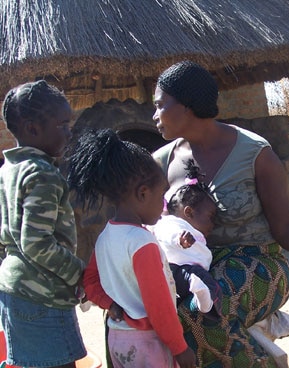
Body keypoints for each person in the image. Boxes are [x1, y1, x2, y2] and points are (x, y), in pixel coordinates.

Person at [152, 60, 289, 367]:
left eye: (159, 106)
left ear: (186, 106)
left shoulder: (254, 153)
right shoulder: (163, 162)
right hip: (192, 269)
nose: (154, 116)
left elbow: (287, 229)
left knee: (200, 311)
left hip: (259, 263)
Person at [67, 129, 196, 368]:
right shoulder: (141, 242)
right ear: (143, 194)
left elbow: (91, 282)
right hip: (148, 343)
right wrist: (180, 348)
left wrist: (110, 304)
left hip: (118, 339)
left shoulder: (107, 234)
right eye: (161, 195)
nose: (164, 203)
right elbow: (158, 307)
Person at [0, 80, 86, 368]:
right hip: (42, 297)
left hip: (15, 290)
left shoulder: (10, 170)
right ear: (32, 129)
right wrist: (80, 274)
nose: (69, 131)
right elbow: (37, 243)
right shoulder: (43, 174)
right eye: (62, 124)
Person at [149, 158, 222, 318]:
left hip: (180, 277)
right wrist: (179, 238)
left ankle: (200, 300)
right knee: (207, 283)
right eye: (211, 216)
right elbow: (165, 232)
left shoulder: (193, 233)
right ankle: (205, 304)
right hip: (177, 271)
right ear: (188, 212)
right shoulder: (172, 224)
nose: (213, 223)